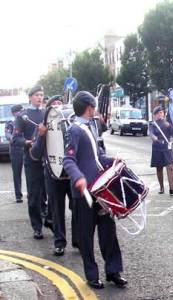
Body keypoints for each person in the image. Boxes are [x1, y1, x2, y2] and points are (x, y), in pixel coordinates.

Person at [63, 91, 126, 289]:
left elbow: (97, 156)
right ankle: (91, 274)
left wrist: (111, 160)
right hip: (84, 193)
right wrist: (79, 178)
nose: (96, 109)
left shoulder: (91, 126)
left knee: (109, 231)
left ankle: (113, 271)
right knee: (86, 236)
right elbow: (68, 160)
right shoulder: (74, 129)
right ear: (89, 108)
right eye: (94, 106)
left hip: (100, 189)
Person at [30, 95, 78, 256]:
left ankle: (78, 240)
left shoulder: (72, 125)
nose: (57, 107)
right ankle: (59, 242)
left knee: (77, 207)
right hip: (52, 175)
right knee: (57, 211)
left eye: (60, 104)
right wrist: (41, 135)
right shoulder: (43, 127)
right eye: (54, 105)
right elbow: (35, 154)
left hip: (71, 173)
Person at [12, 85, 48, 239]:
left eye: (41, 95)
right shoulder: (23, 116)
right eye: (37, 95)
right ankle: (37, 227)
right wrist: (27, 142)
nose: (40, 97)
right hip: (32, 160)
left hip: (48, 161)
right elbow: (15, 139)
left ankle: (50, 220)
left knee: (49, 194)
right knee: (34, 195)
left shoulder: (47, 113)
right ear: (30, 97)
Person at [149, 106, 173, 195]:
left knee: (170, 168)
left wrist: (170, 125)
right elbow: (151, 134)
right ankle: (161, 187)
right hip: (157, 148)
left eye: (161, 112)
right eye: (158, 113)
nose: (160, 114)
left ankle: (171, 188)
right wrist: (156, 139)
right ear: (154, 115)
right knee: (159, 168)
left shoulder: (167, 123)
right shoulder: (152, 124)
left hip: (167, 148)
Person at [5, 105, 24, 203]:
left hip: (26, 148)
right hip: (15, 150)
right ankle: (18, 195)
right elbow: (7, 133)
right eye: (18, 111)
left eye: (21, 111)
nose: (20, 113)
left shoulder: (25, 120)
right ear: (13, 113)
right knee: (17, 174)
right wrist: (11, 137)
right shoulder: (10, 122)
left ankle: (31, 194)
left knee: (30, 173)